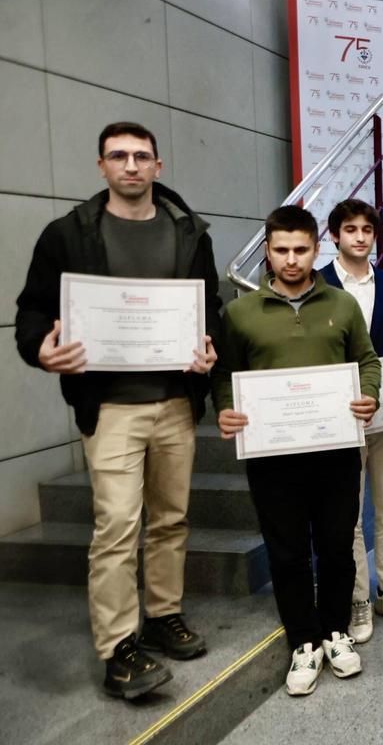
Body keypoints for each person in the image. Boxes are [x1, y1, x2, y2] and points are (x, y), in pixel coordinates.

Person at [14, 122, 219, 700]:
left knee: (171, 519)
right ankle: (118, 648)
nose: (131, 165)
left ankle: (163, 614)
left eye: (141, 156)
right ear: (101, 165)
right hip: (108, 408)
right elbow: (32, 312)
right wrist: (40, 350)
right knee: (117, 527)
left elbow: (209, 309)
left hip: (176, 403)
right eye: (119, 156)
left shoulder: (189, 232)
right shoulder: (68, 234)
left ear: (158, 165)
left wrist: (210, 350)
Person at [214, 205, 381, 697]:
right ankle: (303, 641)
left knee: (336, 548)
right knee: (286, 552)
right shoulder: (240, 313)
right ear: (267, 252)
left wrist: (369, 395)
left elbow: (367, 361)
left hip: (336, 452)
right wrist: (225, 408)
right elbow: (224, 375)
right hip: (272, 457)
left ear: (316, 249)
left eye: (301, 250)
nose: (291, 260)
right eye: (281, 250)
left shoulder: (342, 305)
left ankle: (335, 632)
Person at [318, 198, 383, 642]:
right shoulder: (318, 284)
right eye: (351, 229)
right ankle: (358, 599)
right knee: (350, 514)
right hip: (340, 417)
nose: (360, 237)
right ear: (334, 235)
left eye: (367, 230)